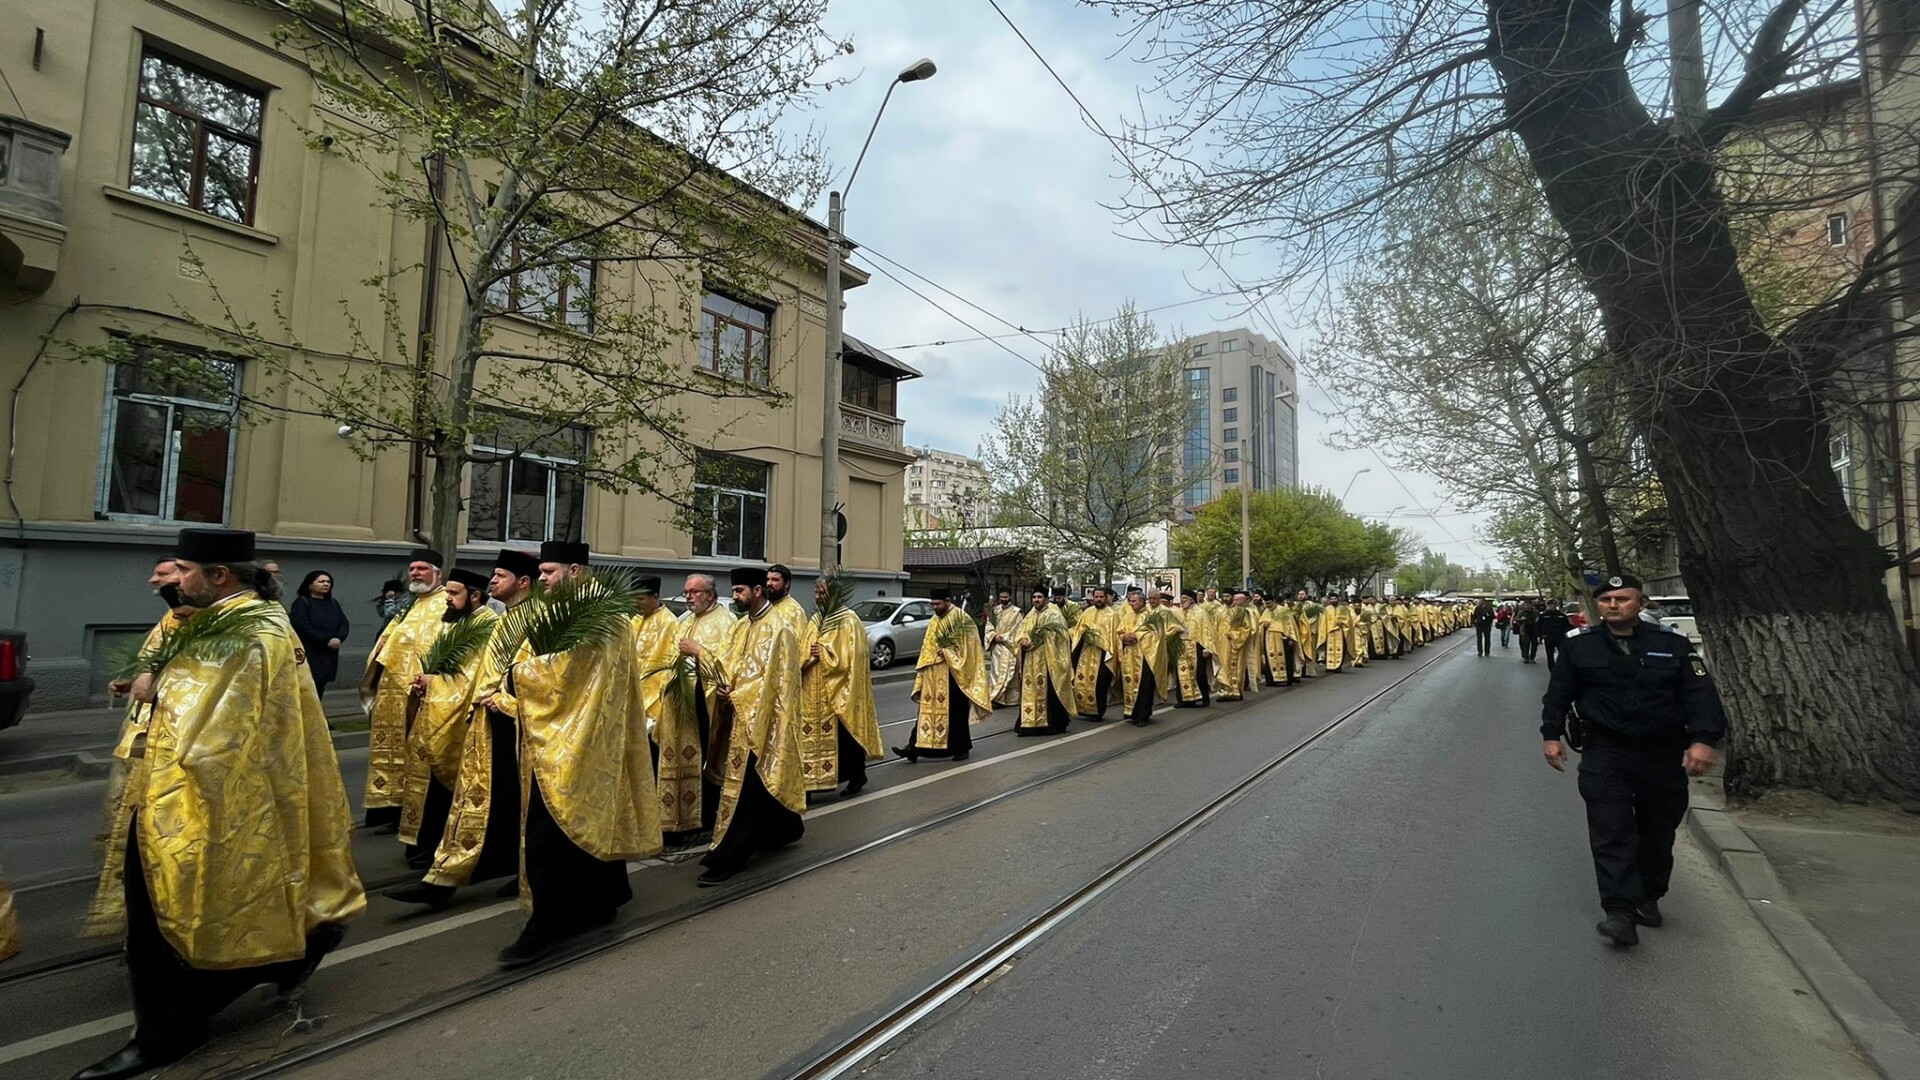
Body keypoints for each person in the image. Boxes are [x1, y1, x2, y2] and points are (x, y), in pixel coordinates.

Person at [75, 528, 364, 1080]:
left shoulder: (251, 632)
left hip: (206, 796)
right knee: (205, 907)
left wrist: (156, 690)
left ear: (219, 576)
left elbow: (220, 723)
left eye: (183, 569)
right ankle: (295, 950)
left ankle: (164, 1036)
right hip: (193, 788)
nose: (174, 579)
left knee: (157, 914)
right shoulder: (226, 620)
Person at [491, 541, 660, 966]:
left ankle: (548, 925)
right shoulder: (573, 608)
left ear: (576, 571)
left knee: (553, 828)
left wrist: (516, 677)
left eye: (548, 571)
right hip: (577, 734)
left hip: (577, 741)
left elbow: (571, 671)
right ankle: (602, 900)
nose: (542, 578)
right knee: (586, 822)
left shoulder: (597, 612)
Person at [1541, 573, 1725, 948]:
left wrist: (1703, 741)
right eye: (1606, 600)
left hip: (1661, 754)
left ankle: (1648, 895)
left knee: (1658, 832)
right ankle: (1620, 911)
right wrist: (1551, 735)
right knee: (1611, 832)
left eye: (1622, 599)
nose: (1612, 605)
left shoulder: (1672, 646)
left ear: (1640, 604)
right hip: (1605, 752)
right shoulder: (1580, 648)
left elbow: (1700, 696)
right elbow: (1558, 694)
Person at [389, 550, 538, 911]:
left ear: (523, 582)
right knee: (490, 806)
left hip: (513, 723)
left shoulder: (532, 618)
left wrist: (499, 698)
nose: (493, 581)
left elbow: (531, 672)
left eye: (500, 575)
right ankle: (443, 880)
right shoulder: (509, 618)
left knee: (506, 807)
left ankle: (464, 878)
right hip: (489, 721)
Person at [687, 566, 806, 886]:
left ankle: (731, 857)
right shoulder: (741, 627)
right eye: (734, 591)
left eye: (740, 591)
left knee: (747, 790)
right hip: (740, 715)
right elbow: (729, 665)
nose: (735, 597)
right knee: (753, 784)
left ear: (757, 591)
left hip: (766, 720)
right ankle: (786, 828)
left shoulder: (780, 628)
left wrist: (737, 692)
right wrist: (725, 686)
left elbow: (778, 680)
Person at [398, 567, 498, 870]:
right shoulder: (459, 621)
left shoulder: (487, 625)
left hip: (459, 718)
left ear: (475, 596)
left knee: (447, 790)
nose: (447, 599)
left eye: (454, 593)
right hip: (437, 709)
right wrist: (425, 681)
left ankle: (438, 850)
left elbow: (471, 678)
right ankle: (422, 845)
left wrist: (434, 683)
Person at [360, 549, 447, 831]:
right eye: (412, 569)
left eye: (422, 568)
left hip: (415, 691)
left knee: (413, 754)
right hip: (390, 691)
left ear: (438, 574)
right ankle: (391, 808)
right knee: (390, 752)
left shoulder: (445, 604)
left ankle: (412, 815)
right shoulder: (409, 605)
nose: (415, 573)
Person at [661, 573, 735, 846]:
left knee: (705, 759)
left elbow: (729, 667)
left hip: (707, 704)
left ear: (711, 595)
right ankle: (678, 819)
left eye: (695, 591)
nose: (689, 597)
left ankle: (703, 820)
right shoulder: (685, 621)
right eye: (686, 592)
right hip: (680, 703)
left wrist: (699, 651)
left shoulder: (727, 623)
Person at [801, 575, 884, 796]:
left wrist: (827, 654)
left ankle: (856, 776)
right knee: (808, 737)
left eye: (821, 593)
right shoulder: (817, 619)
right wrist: (805, 656)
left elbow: (855, 655)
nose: (817, 597)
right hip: (812, 690)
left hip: (838, 691)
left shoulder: (849, 620)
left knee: (845, 738)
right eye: (816, 593)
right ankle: (809, 782)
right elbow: (804, 647)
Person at [898, 588, 993, 761]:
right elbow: (927, 646)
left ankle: (961, 748)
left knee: (956, 712)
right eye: (933, 604)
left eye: (937, 604)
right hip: (934, 673)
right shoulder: (934, 620)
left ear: (948, 600)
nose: (935, 607)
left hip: (954, 674)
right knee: (925, 712)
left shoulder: (962, 618)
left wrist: (948, 653)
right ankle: (914, 748)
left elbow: (970, 649)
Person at [1013, 586, 1076, 734]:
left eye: (1039, 597)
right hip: (1030, 660)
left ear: (1046, 599)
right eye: (1034, 597)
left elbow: (1061, 636)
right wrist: (1023, 641)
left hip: (1048, 659)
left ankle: (1051, 723)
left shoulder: (1054, 614)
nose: (1036, 600)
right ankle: (1028, 723)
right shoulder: (1030, 615)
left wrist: (1041, 639)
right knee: (1030, 690)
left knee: (1049, 691)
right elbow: (1020, 632)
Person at [1114, 587, 1177, 726]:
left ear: (1142, 601)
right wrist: (1124, 636)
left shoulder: (1152, 616)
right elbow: (1119, 631)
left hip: (1146, 657)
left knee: (1144, 686)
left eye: (1134, 601)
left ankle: (1143, 715)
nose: (1131, 604)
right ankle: (1131, 712)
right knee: (1129, 683)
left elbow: (1157, 635)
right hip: (1130, 656)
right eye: (1130, 601)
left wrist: (1138, 635)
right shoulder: (1127, 616)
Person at [290, 570, 351, 698]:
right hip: (310, 651)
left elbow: (343, 622)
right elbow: (303, 626)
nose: (326, 584)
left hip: (329, 653)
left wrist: (339, 638)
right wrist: (325, 641)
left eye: (328, 582)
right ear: (310, 585)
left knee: (320, 685)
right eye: (321, 581)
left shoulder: (333, 603)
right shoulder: (302, 602)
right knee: (308, 685)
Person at [1069, 586, 1119, 720]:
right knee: (1081, 681)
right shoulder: (1087, 613)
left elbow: (1114, 637)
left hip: (1103, 654)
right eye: (1096, 597)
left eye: (1101, 597)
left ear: (1106, 598)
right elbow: (1078, 630)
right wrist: (1083, 634)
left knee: (1099, 684)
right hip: (1086, 652)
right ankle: (1084, 709)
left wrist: (1100, 642)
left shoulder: (1112, 615)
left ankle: (1098, 712)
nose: (1098, 599)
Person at [983, 587, 1024, 708]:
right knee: (996, 673)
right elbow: (989, 626)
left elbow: (1019, 629)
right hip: (997, 647)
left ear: (1010, 597)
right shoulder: (994, 611)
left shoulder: (1017, 612)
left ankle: (1010, 699)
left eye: (1005, 597)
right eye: (1001, 597)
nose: (1003, 599)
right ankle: (996, 698)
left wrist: (1005, 638)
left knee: (1010, 674)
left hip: (1010, 647)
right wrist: (993, 636)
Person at [1538, 599, 1574, 670]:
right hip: (1548, 637)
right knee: (1550, 655)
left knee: (1562, 654)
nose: (1552, 606)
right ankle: (1552, 669)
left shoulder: (1561, 615)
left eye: (1553, 605)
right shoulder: (1544, 615)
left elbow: (1567, 626)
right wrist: (1540, 636)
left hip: (1560, 637)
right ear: (1547, 605)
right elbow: (1539, 626)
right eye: (1550, 605)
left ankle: (1562, 667)